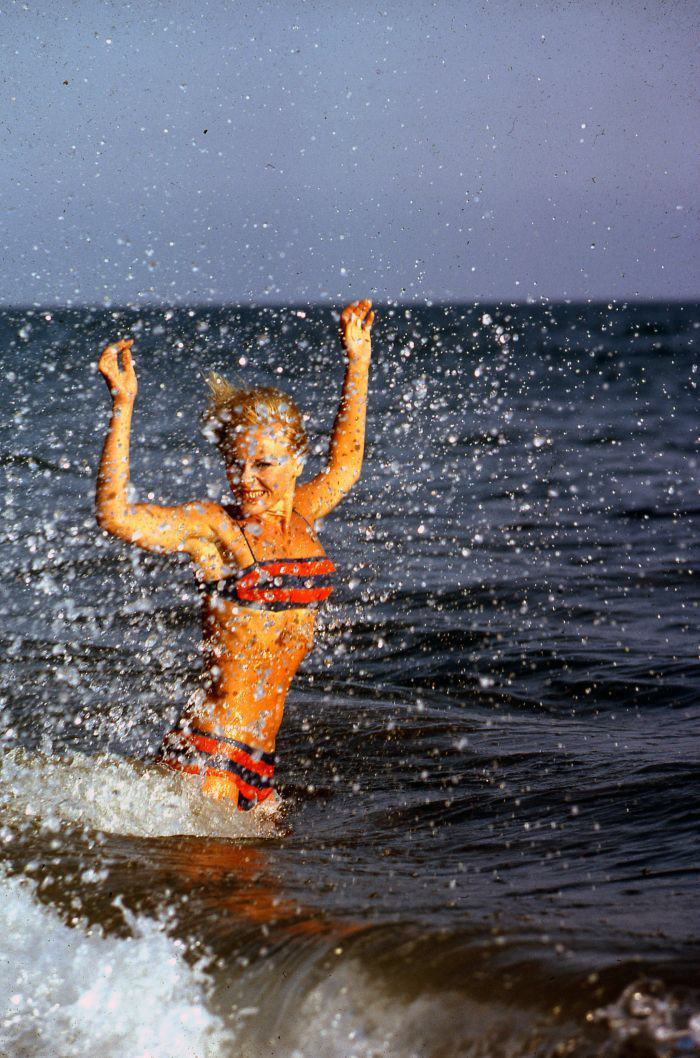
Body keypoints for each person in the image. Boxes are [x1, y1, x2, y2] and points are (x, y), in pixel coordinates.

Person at [95, 300, 374, 810]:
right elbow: (117, 516)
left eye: (262, 465)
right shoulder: (215, 530)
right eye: (234, 464)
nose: (245, 480)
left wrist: (358, 361)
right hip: (209, 754)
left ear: (295, 461)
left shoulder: (303, 517)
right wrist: (123, 406)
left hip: (259, 761)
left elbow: (347, 466)